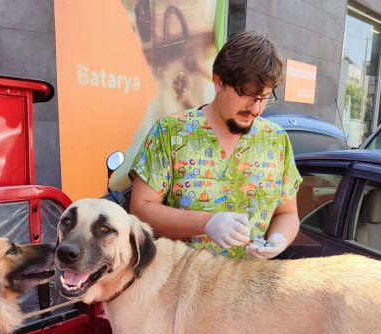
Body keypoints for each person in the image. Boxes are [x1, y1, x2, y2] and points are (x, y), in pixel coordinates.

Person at [129, 31, 301, 260]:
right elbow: (141, 209)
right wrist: (206, 222)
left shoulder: (276, 140)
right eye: (247, 95)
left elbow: (287, 213)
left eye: (264, 98)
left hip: (251, 285)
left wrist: (279, 239)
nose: (256, 109)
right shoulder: (171, 132)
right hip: (183, 286)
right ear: (219, 81)